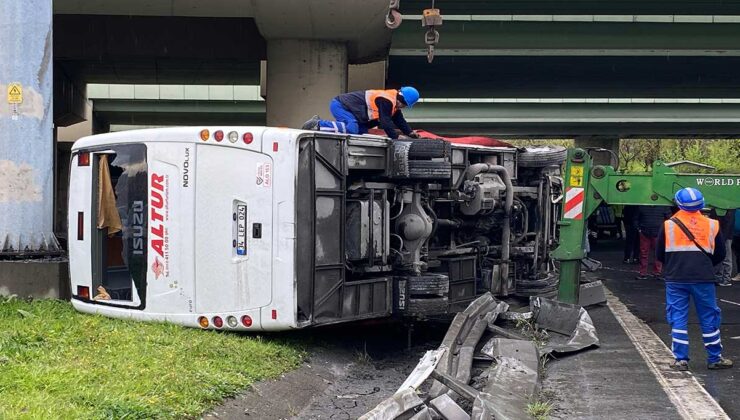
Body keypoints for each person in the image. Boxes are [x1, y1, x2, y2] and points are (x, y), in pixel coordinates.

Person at [656, 187, 732, 371]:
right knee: (709, 316)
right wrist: (704, 266)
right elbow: (720, 254)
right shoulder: (712, 225)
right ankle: (714, 358)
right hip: (703, 279)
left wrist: (675, 264)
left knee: (678, 317)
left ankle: (681, 359)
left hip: (676, 278)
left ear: (678, 203)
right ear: (702, 203)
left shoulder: (668, 225)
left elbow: (659, 254)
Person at [301, 87, 420, 139]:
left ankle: (320, 125)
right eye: (404, 105)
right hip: (341, 105)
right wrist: (395, 136)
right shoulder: (386, 100)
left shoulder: (394, 104)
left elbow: (399, 121)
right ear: (402, 101)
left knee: (360, 132)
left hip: (348, 109)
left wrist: (410, 133)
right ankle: (318, 124)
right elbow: (385, 121)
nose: (403, 108)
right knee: (352, 128)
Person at [634, 205, 673, 279]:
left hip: (653, 232)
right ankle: (646, 273)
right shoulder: (663, 207)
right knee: (645, 253)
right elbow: (669, 218)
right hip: (647, 232)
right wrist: (639, 229)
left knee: (652, 253)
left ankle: (653, 272)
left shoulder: (642, 206)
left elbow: (669, 219)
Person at [710, 208, 736, 286]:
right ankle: (719, 277)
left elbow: (729, 223)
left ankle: (726, 278)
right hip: (721, 234)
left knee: (726, 257)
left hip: (725, 235)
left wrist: (722, 238)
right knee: (722, 256)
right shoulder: (719, 208)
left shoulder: (729, 208)